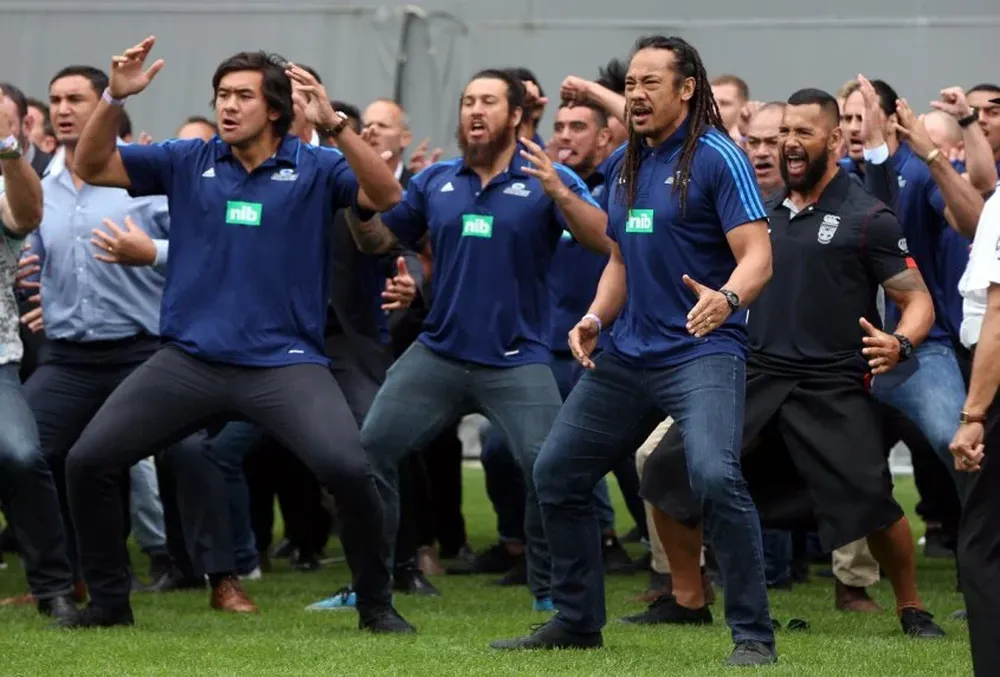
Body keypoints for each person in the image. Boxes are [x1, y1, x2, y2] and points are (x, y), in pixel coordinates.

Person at [57, 36, 411, 633]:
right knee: (88, 461)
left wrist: (335, 125)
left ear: (274, 109)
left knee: (349, 470)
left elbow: (387, 195)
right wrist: (113, 98)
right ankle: (110, 604)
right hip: (189, 361)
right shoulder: (186, 159)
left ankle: (376, 605)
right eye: (222, 94)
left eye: (243, 96)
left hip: (284, 363)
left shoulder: (316, 165)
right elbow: (89, 166)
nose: (227, 105)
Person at [489, 35, 776, 667]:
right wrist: (596, 316)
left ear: (687, 89)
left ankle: (753, 634)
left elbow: (759, 255)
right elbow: (620, 258)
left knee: (713, 476)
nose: (637, 95)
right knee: (557, 472)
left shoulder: (718, 157)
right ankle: (577, 622)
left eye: (651, 83)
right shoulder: (625, 162)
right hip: (628, 355)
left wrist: (727, 298)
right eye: (631, 85)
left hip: (703, 350)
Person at [642, 88, 947, 642]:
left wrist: (900, 342)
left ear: (835, 140)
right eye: (784, 131)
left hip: (833, 382)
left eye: (803, 132)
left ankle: (911, 607)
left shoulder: (867, 216)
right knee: (666, 468)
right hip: (756, 373)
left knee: (872, 502)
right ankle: (688, 599)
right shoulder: (759, 212)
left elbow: (918, 299)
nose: (788, 143)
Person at [345, 67, 608, 610]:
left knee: (547, 469)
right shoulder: (436, 180)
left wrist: (560, 193)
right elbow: (378, 241)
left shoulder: (547, 174)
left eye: (488, 101)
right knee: (370, 450)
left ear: (515, 115)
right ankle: (373, 584)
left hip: (517, 358)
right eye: (468, 101)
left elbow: (604, 239)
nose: (475, 111)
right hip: (439, 351)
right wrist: (363, 207)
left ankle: (551, 595)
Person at [0, 87, 78, 622]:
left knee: (22, 456)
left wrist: (7, 151)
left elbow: (27, 216)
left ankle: (53, 586)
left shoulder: (8, 182)